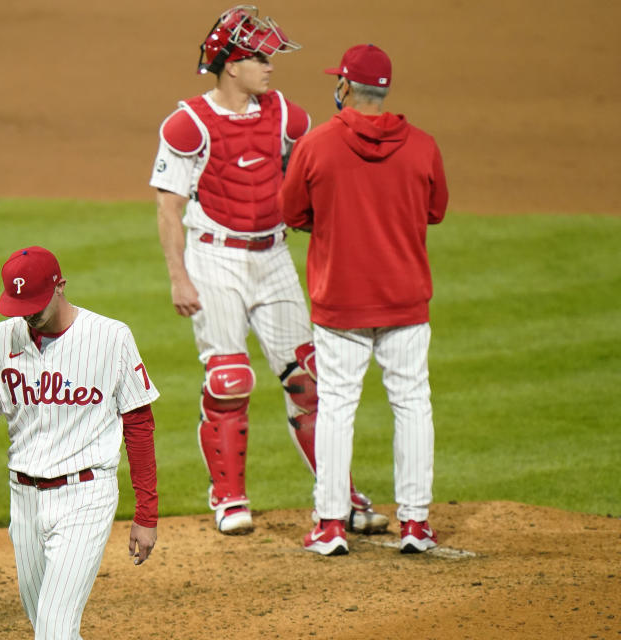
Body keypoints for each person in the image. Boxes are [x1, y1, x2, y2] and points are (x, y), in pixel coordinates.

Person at [149, 5, 387, 536]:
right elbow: (169, 207)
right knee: (229, 379)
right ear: (231, 65)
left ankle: (338, 495)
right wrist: (178, 276)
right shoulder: (187, 125)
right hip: (214, 258)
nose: (270, 65)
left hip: (273, 256)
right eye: (260, 56)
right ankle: (229, 497)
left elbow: (316, 175)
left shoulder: (287, 116)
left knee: (308, 381)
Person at [0, 246, 160, 638]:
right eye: (19, 304)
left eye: (34, 302)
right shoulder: (0, 340)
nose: (27, 313)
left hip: (87, 496)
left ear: (60, 287)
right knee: (47, 624)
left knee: (52, 630)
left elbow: (139, 425)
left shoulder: (110, 338)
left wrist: (146, 514)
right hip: (24, 500)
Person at [279, 43, 448, 555]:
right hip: (404, 300)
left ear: (347, 87)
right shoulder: (423, 146)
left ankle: (330, 524)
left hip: (341, 304)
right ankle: (416, 524)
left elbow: (292, 212)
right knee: (413, 404)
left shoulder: (316, 145)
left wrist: (336, 221)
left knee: (335, 408)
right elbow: (434, 211)